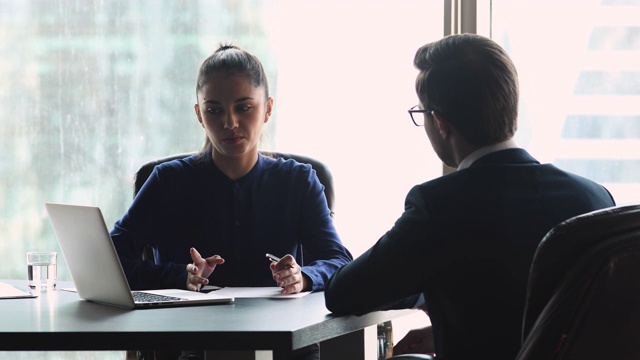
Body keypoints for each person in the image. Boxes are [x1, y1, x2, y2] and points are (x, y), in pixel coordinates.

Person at [323, 34, 615, 360]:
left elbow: (344, 293)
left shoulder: (439, 205)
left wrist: (434, 284)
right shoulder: (594, 199)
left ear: (440, 123)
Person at [111, 44, 352, 360]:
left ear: (267, 109)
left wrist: (303, 277)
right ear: (199, 114)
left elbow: (338, 261)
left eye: (244, 108)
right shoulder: (167, 181)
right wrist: (177, 276)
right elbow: (111, 261)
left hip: (280, 344)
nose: (230, 123)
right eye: (214, 110)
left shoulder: (298, 180)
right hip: (189, 342)